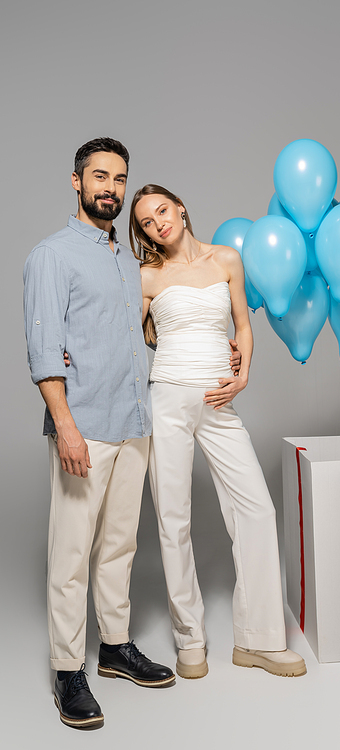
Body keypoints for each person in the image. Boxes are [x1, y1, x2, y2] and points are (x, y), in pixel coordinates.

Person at [23, 139, 181, 730]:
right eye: (98, 177)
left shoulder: (124, 261)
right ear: (76, 182)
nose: (110, 188)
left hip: (133, 423)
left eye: (119, 178)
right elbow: (44, 352)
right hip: (84, 426)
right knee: (71, 554)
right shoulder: (52, 256)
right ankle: (68, 669)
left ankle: (114, 647)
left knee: (119, 547)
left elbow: (133, 337)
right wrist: (65, 427)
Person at [129, 184, 306, 680]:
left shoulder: (226, 258)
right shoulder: (145, 276)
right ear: (143, 232)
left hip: (218, 400)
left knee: (256, 508)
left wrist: (243, 374)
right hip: (166, 398)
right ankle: (189, 639)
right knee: (173, 518)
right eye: (145, 221)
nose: (157, 223)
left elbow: (244, 328)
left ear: (180, 208)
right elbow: (119, 337)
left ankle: (261, 640)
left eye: (162, 210)